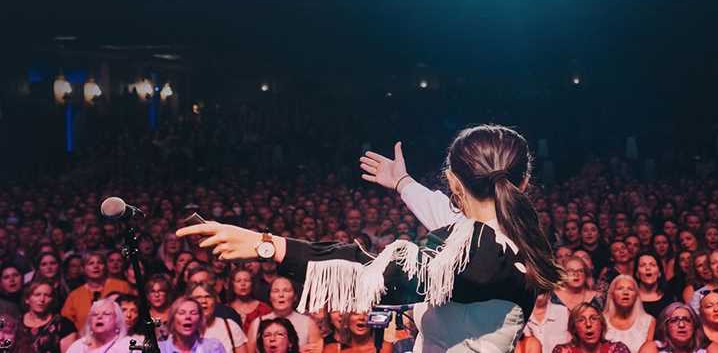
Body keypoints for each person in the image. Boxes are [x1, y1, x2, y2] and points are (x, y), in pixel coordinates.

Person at [180, 125, 562, 353]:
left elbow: (379, 275)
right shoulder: (516, 240)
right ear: (524, 182)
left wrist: (269, 245)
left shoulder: (479, 253)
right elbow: (448, 216)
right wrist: (403, 183)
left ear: (453, 183)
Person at [61, 253, 133, 331]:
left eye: (100, 263)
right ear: (83, 269)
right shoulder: (74, 295)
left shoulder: (122, 286)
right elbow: (66, 323)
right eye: (91, 263)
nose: (96, 266)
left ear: (105, 266)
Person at [246, 277, 321, 351]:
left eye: (286, 291)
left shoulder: (308, 323)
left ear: (295, 296)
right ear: (270, 297)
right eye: (276, 291)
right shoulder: (257, 323)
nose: (281, 295)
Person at [638, 303, 718, 353]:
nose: (681, 325)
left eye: (687, 320)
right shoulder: (653, 347)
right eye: (674, 320)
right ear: (665, 326)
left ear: (694, 325)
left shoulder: (709, 348)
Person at [189, 282, 248, 353]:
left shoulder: (230, 326)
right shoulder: (183, 329)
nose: (204, 301)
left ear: (215, 301)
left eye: (208, 297)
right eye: (198, 297)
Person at [23, 278, 78, 353]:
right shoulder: (16, 323)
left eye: (47, 295)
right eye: (37, 295)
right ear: (27, 299)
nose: (42, 299)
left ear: (53, 299)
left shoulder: (64, 325)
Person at [603, 275, 655, 353]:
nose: (625, 292)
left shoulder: (648, 321)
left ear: (636, 295)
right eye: (620, 288)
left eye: (630, 289)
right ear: (612, 294)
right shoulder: (601, 320)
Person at [552, 302, 629, 353]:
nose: (588, 324)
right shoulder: (562, 351)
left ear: (601, 324)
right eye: (581, 320)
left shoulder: (617, 349)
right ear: (574, 328)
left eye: (594, 318)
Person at [158, 296, 226, 353]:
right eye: (182, 313)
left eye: (193, 313)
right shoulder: (160, 349)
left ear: (200, 320)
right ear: (172, 319)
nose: (188, 317)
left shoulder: (213, 347)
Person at [65, 298, 134, 353]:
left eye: (106, 313)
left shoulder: (130, 345)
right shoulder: (79, 346)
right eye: (95, 314)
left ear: (117, 319)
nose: (99, 317)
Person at [322, 312, 393, 353]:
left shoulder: (385, 348)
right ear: (346, 320)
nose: (362, 317)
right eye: (356, 313)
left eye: (367, 313)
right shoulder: (332, 349)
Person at [228, 268, 271, 332]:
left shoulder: (264, 309)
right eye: (238, 281)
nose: (243, 284)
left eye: (247, 280)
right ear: (232, 284)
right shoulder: (225, 309)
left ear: (252, 284)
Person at [634, 252, 674, 319]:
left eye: (652, 265)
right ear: (637, 274)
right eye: (643, 265)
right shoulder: (631, 298)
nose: (648, 268)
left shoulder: (669, 297)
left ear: (659, 273)